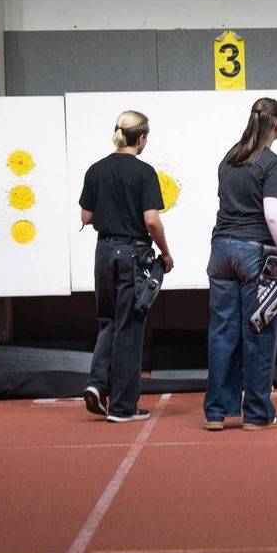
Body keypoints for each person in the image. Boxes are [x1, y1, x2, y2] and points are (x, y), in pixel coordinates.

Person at [204, 97, 277, 431]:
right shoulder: (271, 163)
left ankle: (216, 413)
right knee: (260, 330)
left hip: (221, 250)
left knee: (222, 332)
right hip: (255, 253)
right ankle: (258, 413)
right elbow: (273, 215)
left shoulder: (229, 157)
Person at [80, 110, 173, 423]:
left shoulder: (95, 170)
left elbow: (86, 217)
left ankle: (96, 384)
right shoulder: (144, 173)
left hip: (103, 252)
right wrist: (165, 252)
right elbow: (151, 220)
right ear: (141, 138)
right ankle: (122, 407)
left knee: (108, 321)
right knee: (130, 328)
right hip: (132, 254)